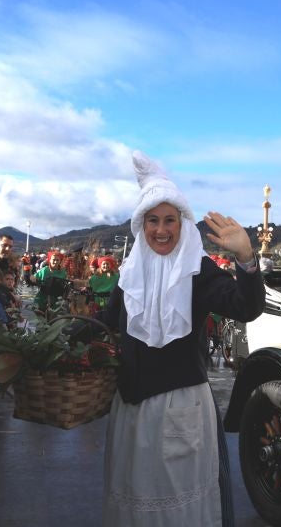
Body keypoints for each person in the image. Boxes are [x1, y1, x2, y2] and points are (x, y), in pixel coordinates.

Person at [99, 151, 264, 527]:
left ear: (182, 223)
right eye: (153, 220)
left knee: (180, 505)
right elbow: (109, 324)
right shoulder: (130, 270)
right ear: (141, 225)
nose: (161, 230)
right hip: (132, 410)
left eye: (169, 220)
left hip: (181, 405)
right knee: (135, 499)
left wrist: (246, 257)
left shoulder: (197, 268)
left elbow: (246, 306)